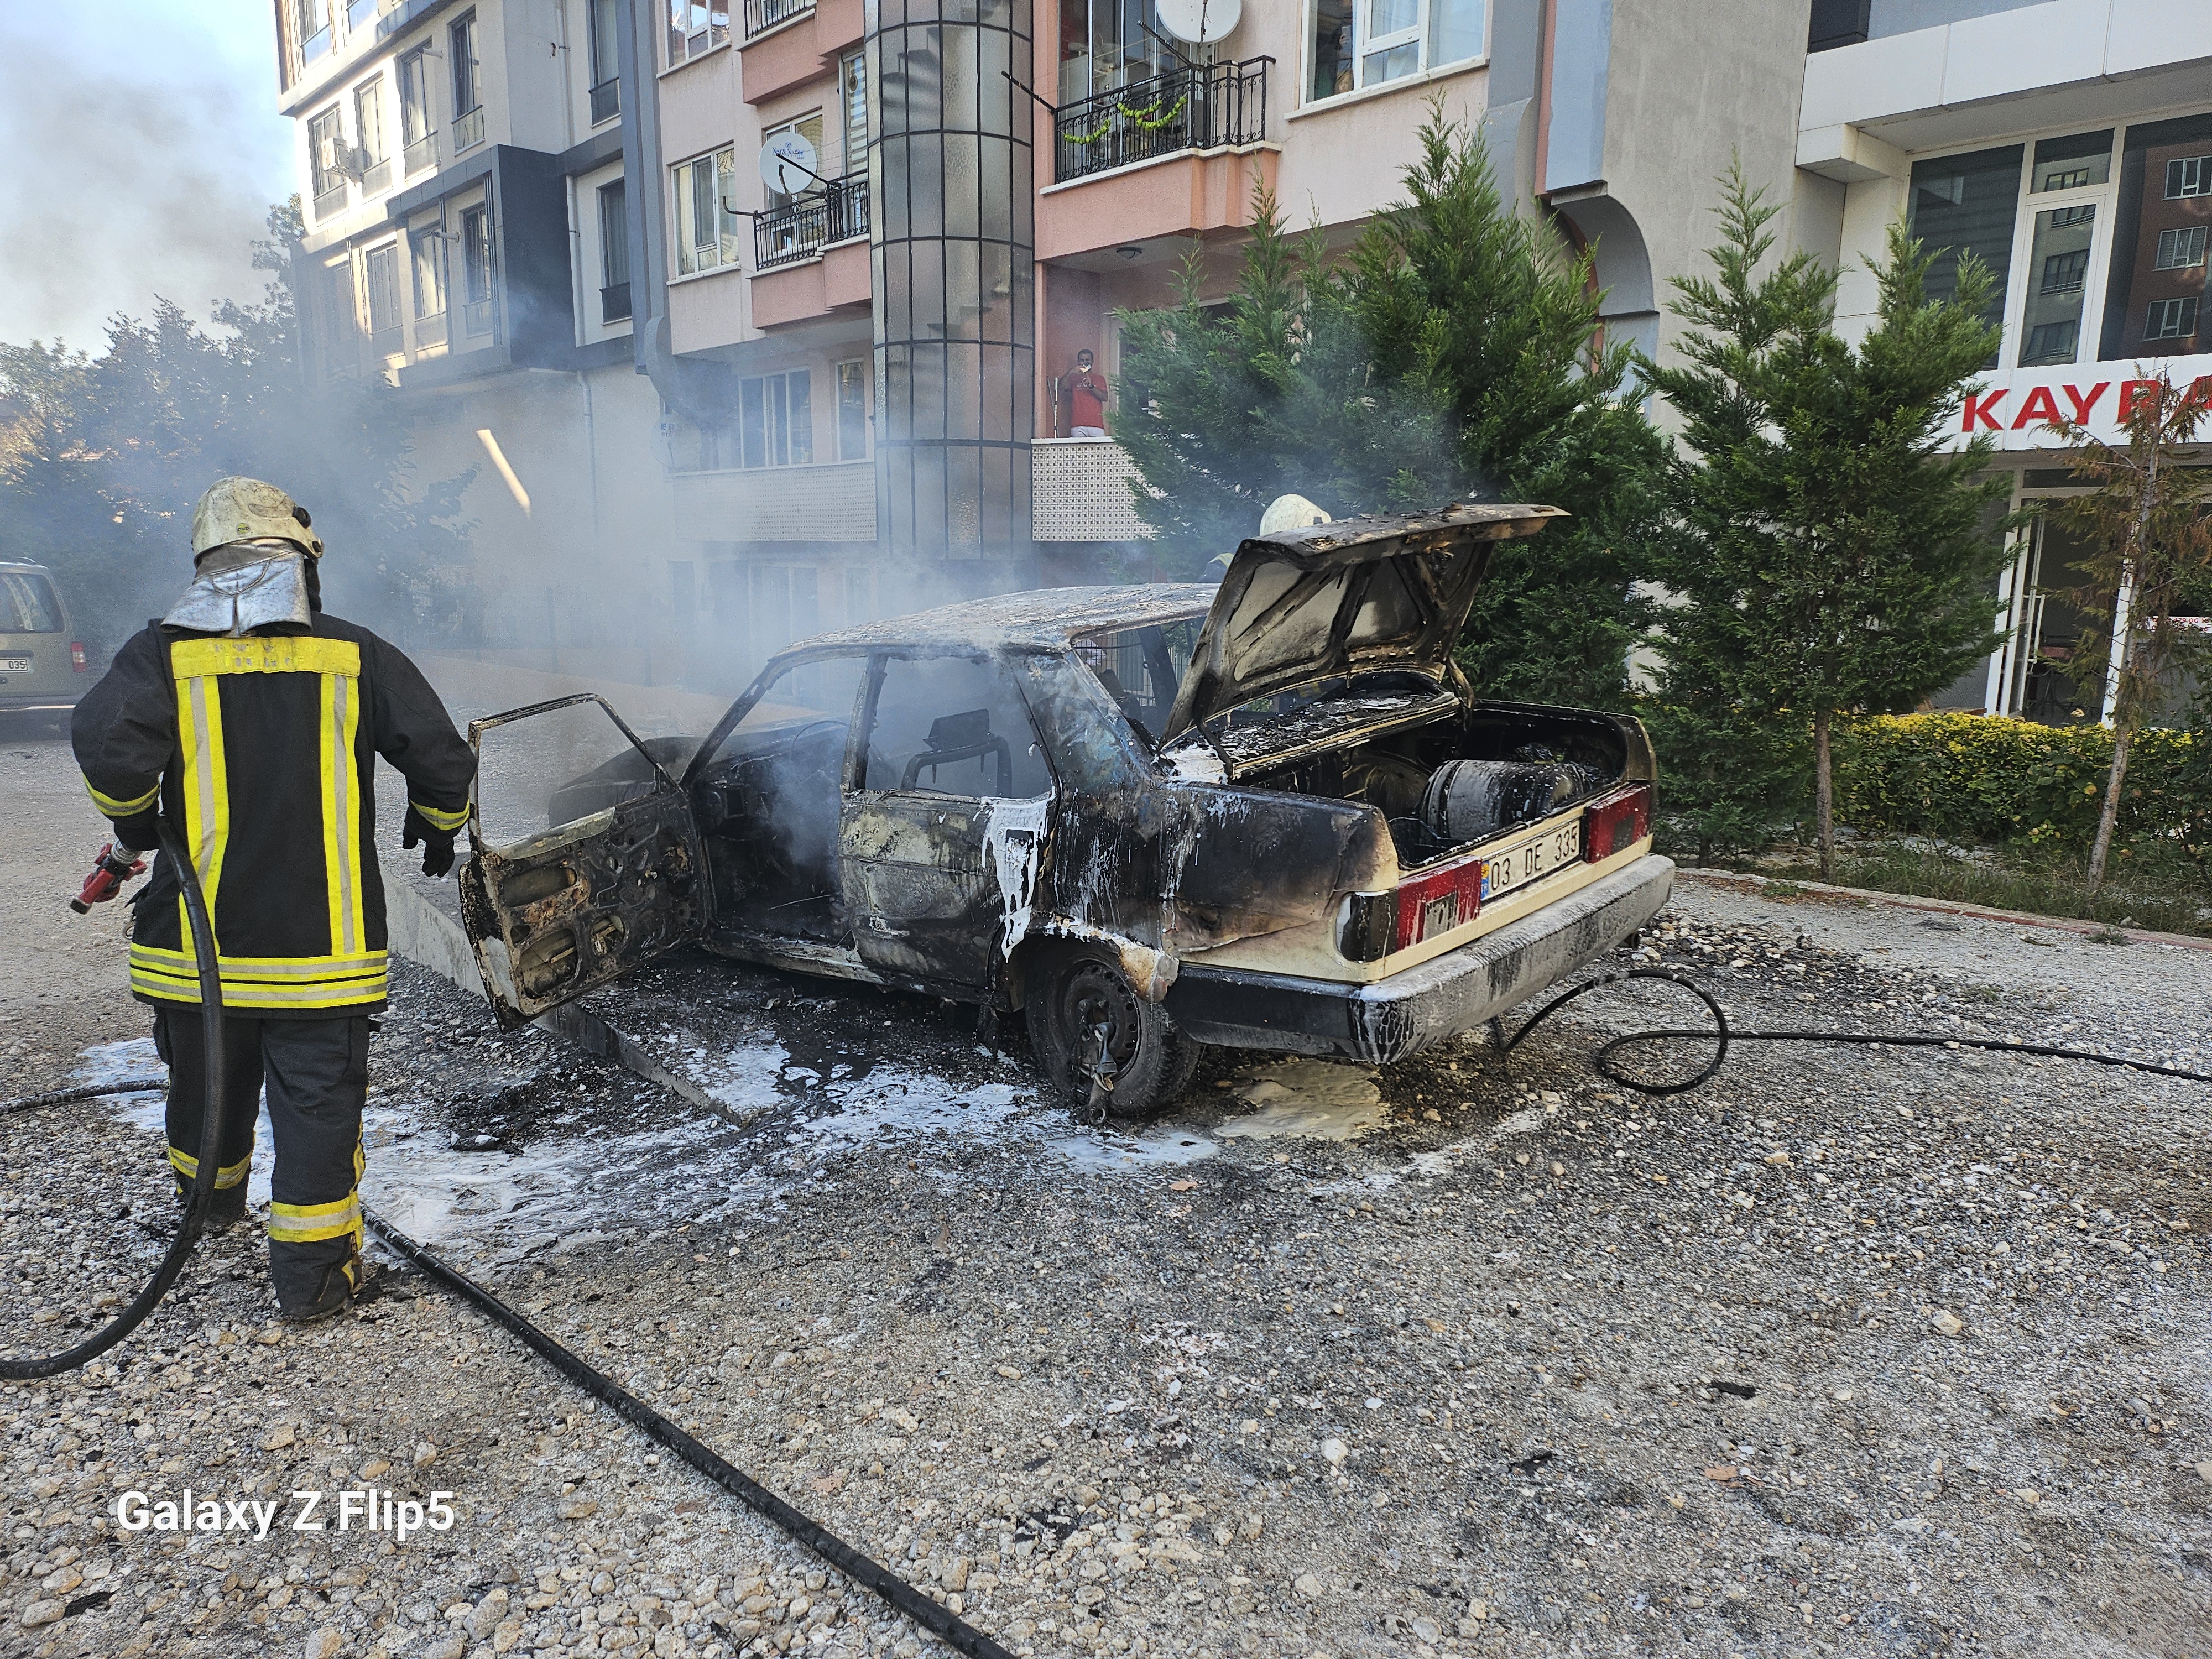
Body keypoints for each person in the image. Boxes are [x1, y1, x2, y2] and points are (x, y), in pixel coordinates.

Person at [71, 477, 476, 1323]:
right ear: (303, 563)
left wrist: (138, 824)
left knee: (205, 1090)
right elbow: (442, 757)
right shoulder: (354, 652)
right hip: (318, 957)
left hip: (198, 951)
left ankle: (209, 1211)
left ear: (204, 565)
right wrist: (440, 824)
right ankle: (314, 1285)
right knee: (319, 1112)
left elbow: (109, 746)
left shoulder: (160, 654)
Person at [1062, 349, 1110, 439]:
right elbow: (1061, 388)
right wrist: (1070, 373)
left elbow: (1105, 398)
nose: (1085, 363)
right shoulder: (1074, 378)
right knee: (1079, 452)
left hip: (1097, 425)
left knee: (1098, 452)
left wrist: (1092, 387)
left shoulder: (1099, 378)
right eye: (1082, 360)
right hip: (1078, 424)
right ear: (1078, 362)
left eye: (1087, 360)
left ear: (1092, 361)